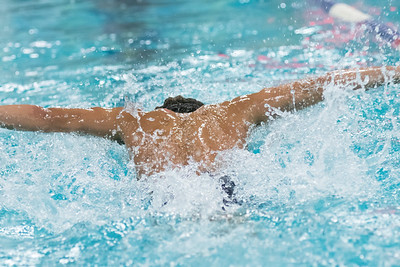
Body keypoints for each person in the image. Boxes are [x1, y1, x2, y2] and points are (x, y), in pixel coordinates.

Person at [0, 66, 399, 178]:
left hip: (167, 198)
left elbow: (45, 117)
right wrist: (394, 71)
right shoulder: (234, 110)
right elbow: (320, 85)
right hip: (224, 192)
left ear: (166, 111)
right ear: (199, 108)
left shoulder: (135, 123)